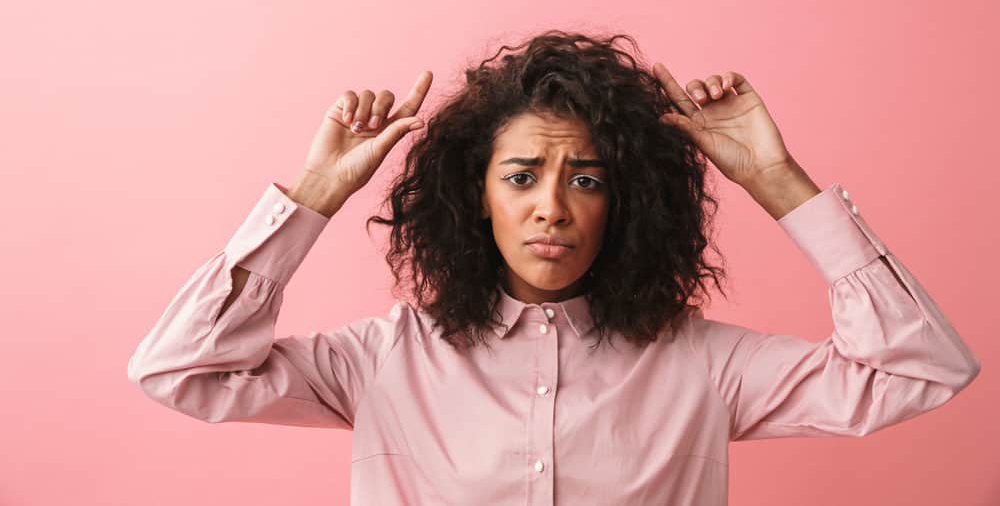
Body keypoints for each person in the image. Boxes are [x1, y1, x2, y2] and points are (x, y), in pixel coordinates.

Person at [127, 30, 981, 505]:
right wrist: (311, 194)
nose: (551, 206)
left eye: (587, 177)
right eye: (522, 176)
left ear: (626, 200)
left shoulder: (705, 366)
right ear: (477, 196)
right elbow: (178, 369)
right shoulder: (384, 361)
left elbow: (922, 369)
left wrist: (777, 182)